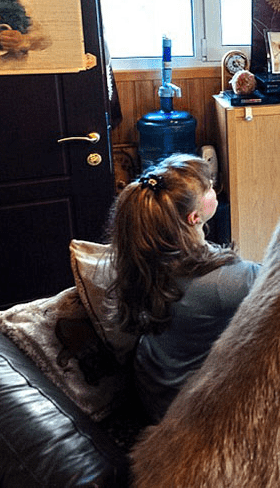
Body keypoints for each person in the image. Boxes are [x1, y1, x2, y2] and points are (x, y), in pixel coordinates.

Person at [108, 153, 260, 422]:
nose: (215, 189)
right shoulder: (226, 281)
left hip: (152, 387)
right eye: (210, 188)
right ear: (193, 217)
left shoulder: (142, 257)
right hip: (187, 412)